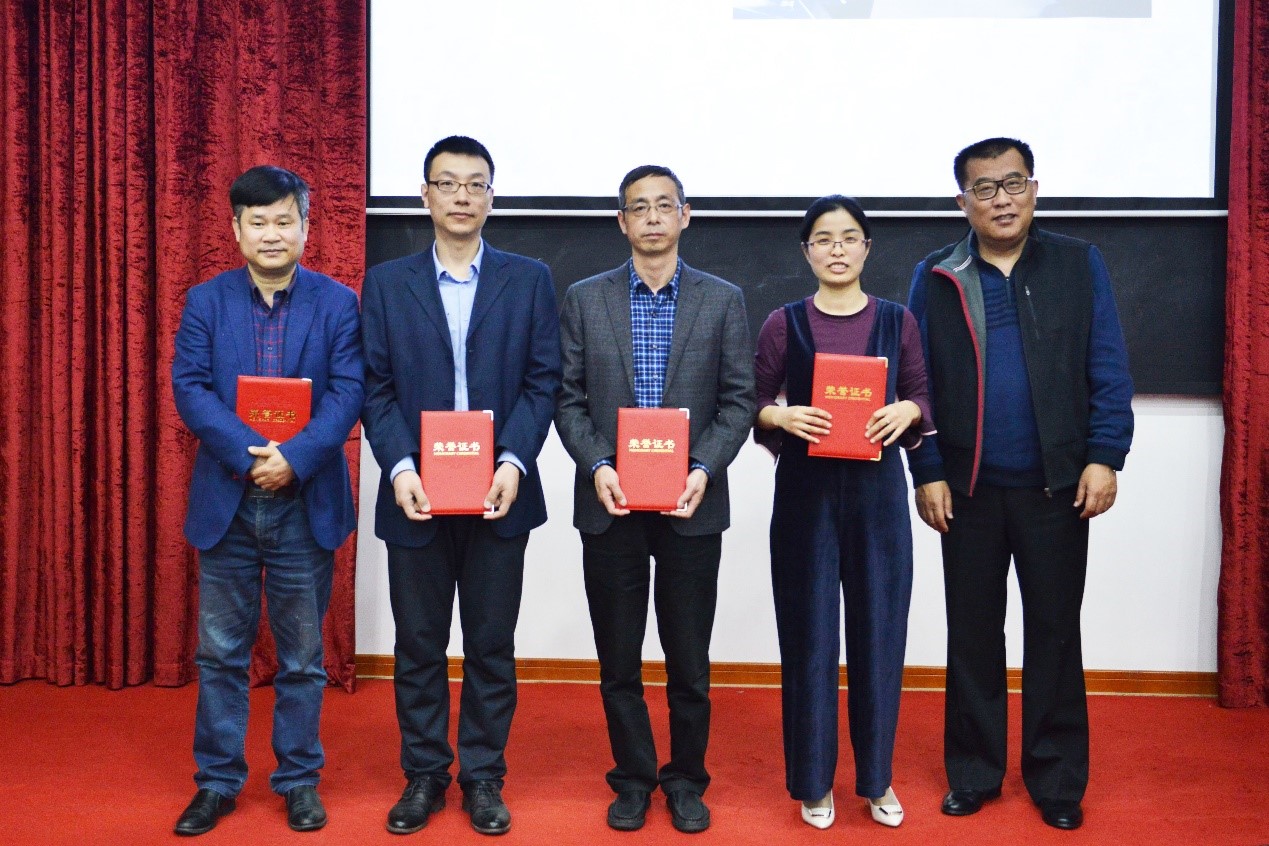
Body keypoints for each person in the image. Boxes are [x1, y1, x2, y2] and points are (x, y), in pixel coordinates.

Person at [906, 137, 1134, 831]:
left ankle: (1056, 778)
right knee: (973, 634)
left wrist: (1104, 454)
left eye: (1013, 183)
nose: (1001, 199)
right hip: (967, 491)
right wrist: (927, 470)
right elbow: (915, 383)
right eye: (985, 188)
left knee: (1055, 633)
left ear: (1034, 189)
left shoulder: (1076, 263)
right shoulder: (936, 274)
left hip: (1055, 489)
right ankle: (973, 772)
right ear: (962, 202)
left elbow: (1107, 364)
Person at [360, 135, 561, 837]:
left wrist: (513, 462)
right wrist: (400, 468)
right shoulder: (387, 283)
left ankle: (482, 776)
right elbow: (376, 388)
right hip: (414, 493)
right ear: (425, 196)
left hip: (499, 493)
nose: (462, 197)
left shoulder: (528, 278)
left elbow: (542, 381)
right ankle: (423, 774)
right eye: (447, 184)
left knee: (490, 643)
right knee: (418, 643)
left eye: (476, 184)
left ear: (491, 198)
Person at [555, 165, 756, 834]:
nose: (651, 218)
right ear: (621, 222)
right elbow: (568, 399)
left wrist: (703, 468)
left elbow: (738, 400)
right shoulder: (585, 299)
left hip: (691, 504)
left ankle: (686, 779)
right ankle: (634, 778)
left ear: (684, 215)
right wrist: (598, 465)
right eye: (637, 208)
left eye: (663, 206)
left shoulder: (721, 299)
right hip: (610, 503)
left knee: (688, 660)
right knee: (618, 659)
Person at [170, 165, 364, 835]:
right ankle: (217, 782)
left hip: (305, 501)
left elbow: (349, 391)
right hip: (227, 497)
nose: (273, 233)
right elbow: (191, 388)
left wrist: (296, 459)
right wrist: (252, 455)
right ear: (236, 229)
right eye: (259, 222)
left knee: (302, 657)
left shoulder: (337, 303)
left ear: (306, 227)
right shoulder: (206, 301)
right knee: (220, 653)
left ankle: (298, 780)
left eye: (285, 220)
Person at [753, 196, 933, 830]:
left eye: (849, 237)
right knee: (808, 635)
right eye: (824, 238)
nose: (837, 248)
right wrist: (780, 417)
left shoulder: (897, 320)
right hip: (805, 497)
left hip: (878, 497)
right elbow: (753, 400)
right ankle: (813, 783)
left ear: (866, 248)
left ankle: (877, 779)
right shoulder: (783, 323)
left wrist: (908, 411)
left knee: (880, 633)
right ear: (807, 251)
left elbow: (921, 395)